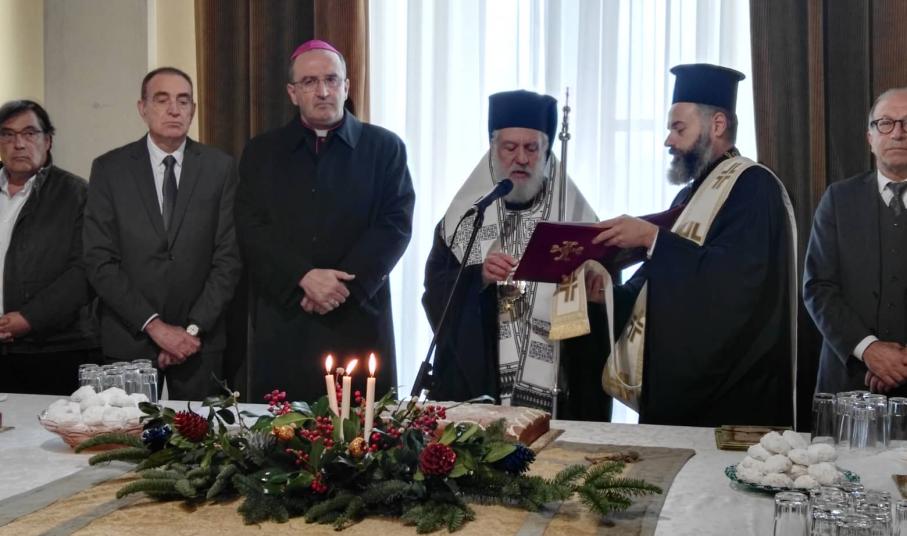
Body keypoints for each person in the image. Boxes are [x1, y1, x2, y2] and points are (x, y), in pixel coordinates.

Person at [591, 64, 797, 426]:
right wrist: (606, 296)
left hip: (733, 400)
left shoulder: (753, 187)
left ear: (717, 125)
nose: (668, 141)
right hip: (679, 397)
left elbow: (736, 286)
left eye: (678, 128)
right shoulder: (688, 197)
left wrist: (652, 238)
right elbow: (651, 290)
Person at [235, 40, 414, 401]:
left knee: (363, 427)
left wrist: (341, 287)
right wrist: (302, 277)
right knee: (281, 428)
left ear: (346, 87)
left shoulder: (384, 148)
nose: (323, 91)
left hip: (357, 314)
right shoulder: (261, 152)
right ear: (292, 92)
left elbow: (394, 224)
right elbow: (251, 228)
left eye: (332, 80)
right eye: (310, 82)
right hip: (287, 315)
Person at [423, 90, 612, 420]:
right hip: (484, 381)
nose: (521, 158)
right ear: (493, 149)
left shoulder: (575, 217)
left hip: (558, 388)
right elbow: (435, 292)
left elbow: (604, 301)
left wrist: (590, 286)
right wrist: (480, 277)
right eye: (510, 148)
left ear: (546, 152)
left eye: (531, 148)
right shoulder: (463, 220)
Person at [83, 67, 242, 400]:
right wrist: (155, 327)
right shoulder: (110, 169)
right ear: (142, 108)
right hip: (130, 338)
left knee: (204, 433)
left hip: (200, 341)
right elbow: (100, 260)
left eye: (183, 101)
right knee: (125, 433)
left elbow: (228, 258)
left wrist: (191, 331)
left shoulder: (220, 168)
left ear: (193, 110)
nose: (174, 110)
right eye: (162, 100)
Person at [804, 87, 907, 396]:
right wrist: (870, 350)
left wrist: (899, 363)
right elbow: (818, 287)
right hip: (847, 380)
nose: (898, 133)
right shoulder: (839, 199)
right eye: (885, 123)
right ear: (870, 137)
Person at [0, 100, 98, 395]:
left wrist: (28, 319)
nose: (19, 144)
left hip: (53, 349)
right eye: (8, 134)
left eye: (30, 133)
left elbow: (85, 270)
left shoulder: (75, 193)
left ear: (48, 140)